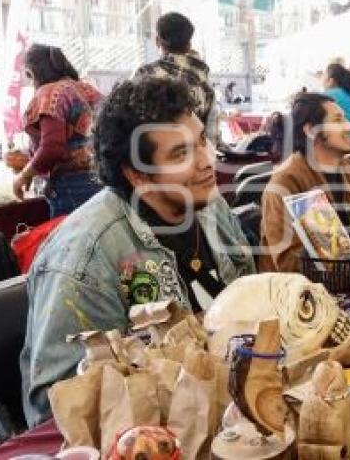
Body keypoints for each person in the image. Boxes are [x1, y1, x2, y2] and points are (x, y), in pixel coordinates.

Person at [20, 76, 255, 427]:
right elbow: (57, 412)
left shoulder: (208, 204)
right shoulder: (84, 259)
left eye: (202, 141)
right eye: (181, 153)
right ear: (138, 176)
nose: (208, 161)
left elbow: (250, 302)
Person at [259, 93, 350, 272]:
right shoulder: (285, 181)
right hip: (304, 291)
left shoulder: (346, 167)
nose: (349, 127)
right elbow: (288, 262)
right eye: (338, 120)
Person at [13, 44, 102, 217]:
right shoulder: (87, 89)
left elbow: (52, 147)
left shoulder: (49, 93)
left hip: (70, 186)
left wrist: (23, 175)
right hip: (101, 180)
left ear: (31, 73)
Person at [134, 12, 218, 143]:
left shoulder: (144, 75)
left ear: (157, 41)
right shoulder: (203, 80)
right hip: (192, 156)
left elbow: (130, 124)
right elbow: (212, 134)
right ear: (189, 45)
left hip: (152, 156)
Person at [323, 63, 350, 133]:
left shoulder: (329, 94)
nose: (322, 80)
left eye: (323, 76)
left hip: (346, 135)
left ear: (330, 81)